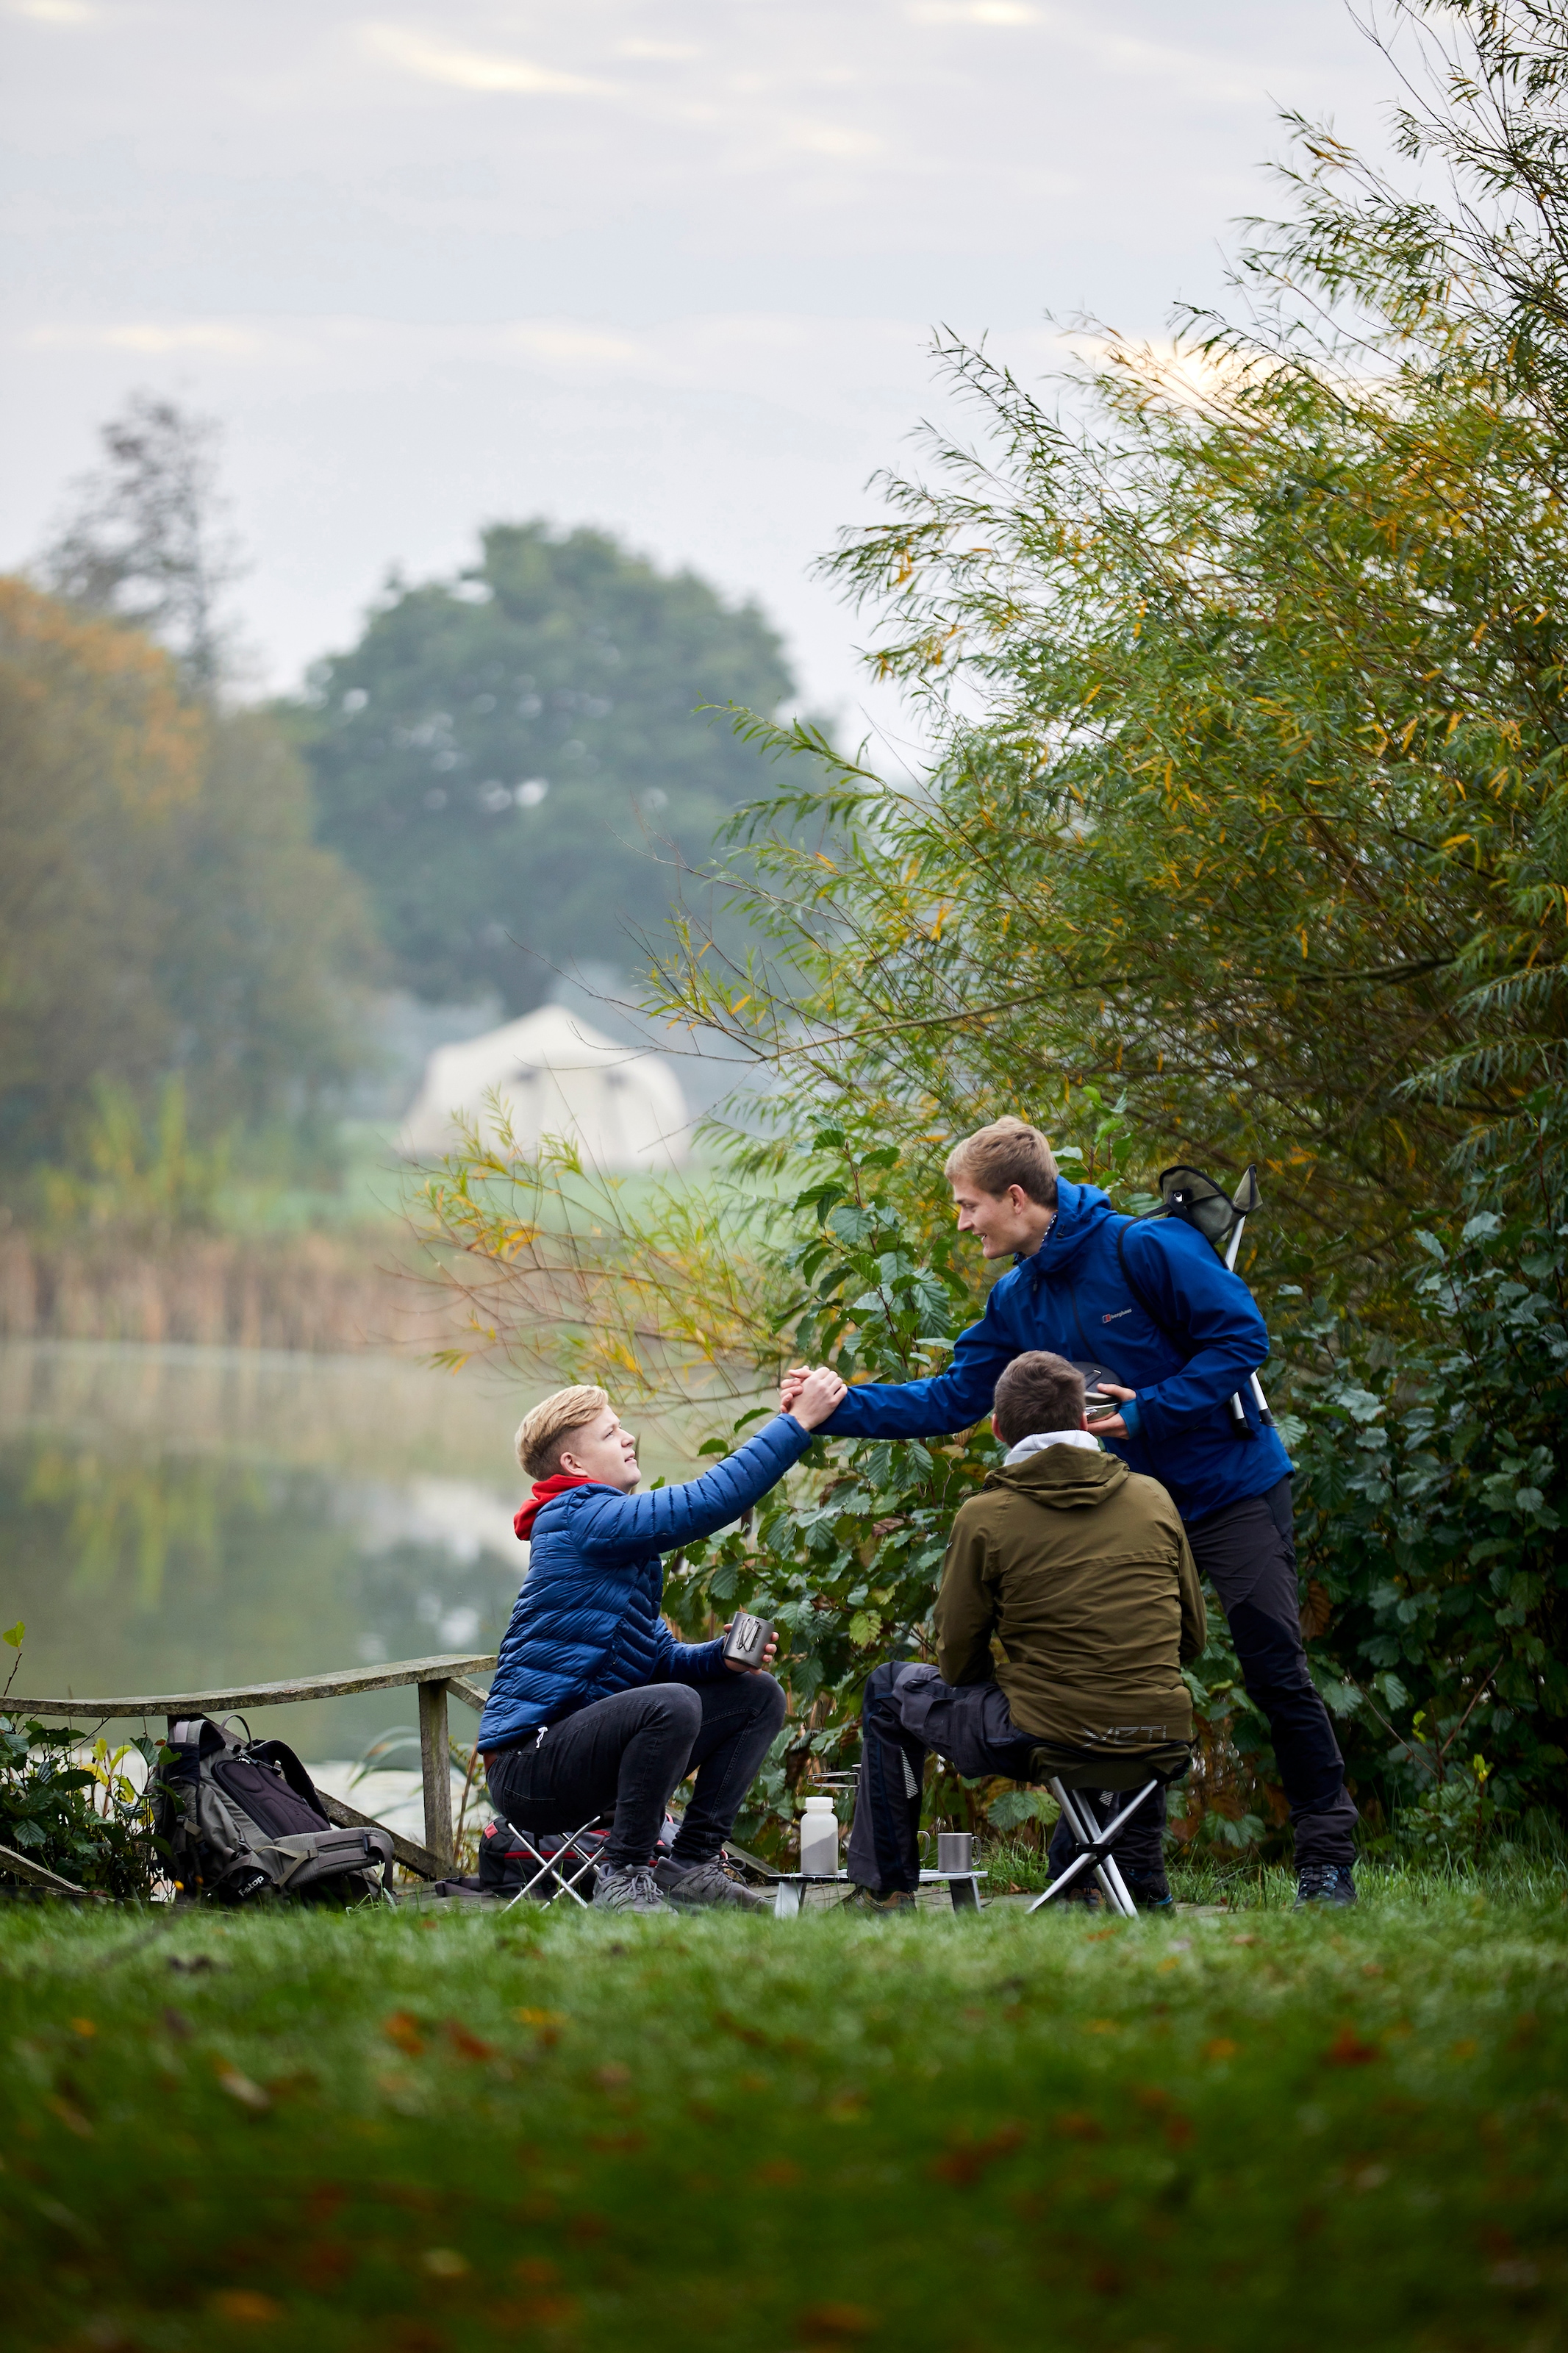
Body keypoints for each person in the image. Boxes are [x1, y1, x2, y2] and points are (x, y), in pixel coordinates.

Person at [785, 1115, 1359, 1907]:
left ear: (1015, 1197)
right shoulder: (1018, 1296)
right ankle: (1116, 1869)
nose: (961, 1221)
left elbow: (1242, 1338)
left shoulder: (1145, 1249)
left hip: (1230, 1490)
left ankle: (1327, 1864)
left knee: (1275, 1669)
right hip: (1124, 1508)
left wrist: (1149, 1410)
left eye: (967, 1204)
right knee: (1125, 1666)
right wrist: (838, 1406)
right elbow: (955, 1396)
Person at [842, 1350, 1205, 1913]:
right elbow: (1192, 1640)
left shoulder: (986, 1515)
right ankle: (1106, 1881)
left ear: (996, 1428)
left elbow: (959, 1665)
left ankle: (887, 1892)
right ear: (1085, 1420)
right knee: (1108, 1694)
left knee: (890, 1691)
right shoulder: (1153, 1497)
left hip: (1048, 1735)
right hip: (1159, 1733)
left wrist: (1015, 1677)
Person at [479, 1368, 845, 1915]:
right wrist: (795, 1424)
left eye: (620, 1428)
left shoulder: (613, 1543)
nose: (627, 1439)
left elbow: (658, 1659)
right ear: (573, 1466)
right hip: (529, 1769)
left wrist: (719, 1659)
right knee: (671, 1704)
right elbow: (706, 1501)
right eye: (609, 1434)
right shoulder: (581, 1518)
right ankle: (623, 1875)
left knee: (757, 1695)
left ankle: (690, 1864)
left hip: (586, 1756)